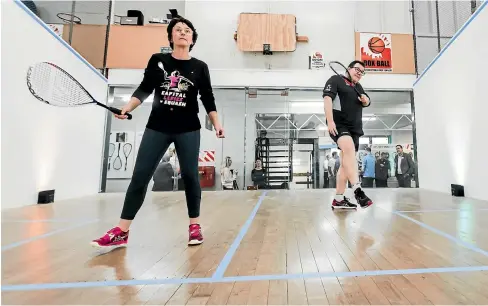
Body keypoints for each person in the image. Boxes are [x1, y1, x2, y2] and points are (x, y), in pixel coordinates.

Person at [91, 17, 224, 249]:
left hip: (188, 128)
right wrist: (127, 107)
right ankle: (122, 231)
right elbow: (144, 88)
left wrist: (217, 122)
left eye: (187, 30)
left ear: (192, 39)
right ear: (171, 36)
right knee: (140, 176)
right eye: (178, 30)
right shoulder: (158, 60)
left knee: (192, 176)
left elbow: (208, 98)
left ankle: (194, 226)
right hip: (158, 126)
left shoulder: (200, 67)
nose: (182, 33)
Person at [323, 60, 373, 209]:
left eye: (362, 72)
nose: (359, 73)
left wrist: (365, 100)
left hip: (355, 128)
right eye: (357, 69)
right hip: (339, 124)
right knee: (349, 150)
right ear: (348, 68)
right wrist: (330, 121)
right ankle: (357, 190)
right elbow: (327, 99)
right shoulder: (336, 80)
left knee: (346, 163)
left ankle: (339, 199)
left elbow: (367, 101)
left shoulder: (357, 86)